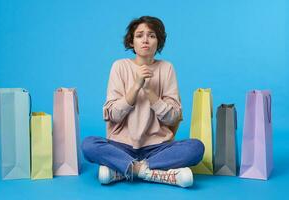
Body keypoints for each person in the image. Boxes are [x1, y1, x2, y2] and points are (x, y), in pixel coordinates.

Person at [81, 16, 204, 188]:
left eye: (151, 35)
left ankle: (125, 170)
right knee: (88, 144)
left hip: (158, 147)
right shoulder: (119, 66)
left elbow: (173, 118)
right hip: (121, 145)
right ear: (132, 42)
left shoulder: (166, 68)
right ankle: (152, 173)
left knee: (196, 148)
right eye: (139, 35)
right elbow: (114, 115)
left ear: (158, 42)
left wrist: (149, 91)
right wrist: (136, 86)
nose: (145, 40)